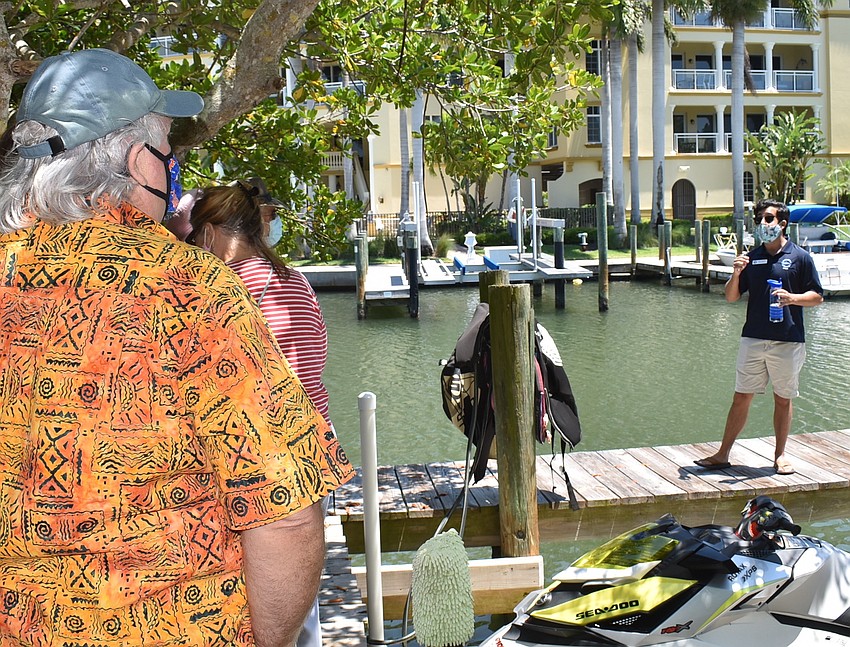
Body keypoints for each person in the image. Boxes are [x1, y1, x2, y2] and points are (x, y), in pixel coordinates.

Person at [0, 48, 352, 646]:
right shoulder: (190, 292)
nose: (172, 173)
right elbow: (286, 514)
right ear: (139, 162)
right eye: (168, 155)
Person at [187, 182, 330, 646]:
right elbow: (318, 358)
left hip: (253, 461)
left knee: (256, 598)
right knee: (301, 599)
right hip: (311, 451)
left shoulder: (222, 292)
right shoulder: (297, 281)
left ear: (209, 235)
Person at [695, 199, 824, 475]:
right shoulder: (751, 258)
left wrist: (793, 298)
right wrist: (736, 271)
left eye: (768, 218)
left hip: (788, 339)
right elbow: (731, 298)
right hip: (752, 338)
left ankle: (780, 456)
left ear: (782, 223)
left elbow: (817, 297)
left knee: (783, 398)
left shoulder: (800, 257)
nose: (762, 224)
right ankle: (722, 454)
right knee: (741, 396)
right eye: (759, 219)